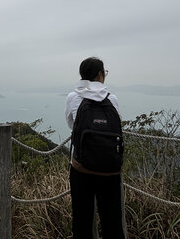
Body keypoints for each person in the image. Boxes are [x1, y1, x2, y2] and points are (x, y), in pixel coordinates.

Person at [65, 57, 125, 239]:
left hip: (82, 168)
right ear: (100, 74)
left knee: (82, 219)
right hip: (110, 169)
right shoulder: (112, 99)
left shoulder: (73, 97)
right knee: (112, 220)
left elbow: (71, 125)